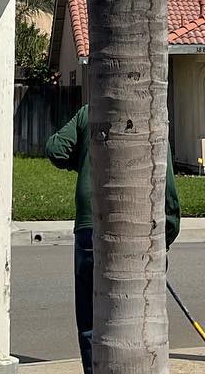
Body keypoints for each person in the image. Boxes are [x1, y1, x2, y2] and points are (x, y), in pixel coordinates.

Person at [45, 104, 180, 374]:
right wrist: (165, 236)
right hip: (138, 232)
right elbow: (166, 188)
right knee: (135, 318)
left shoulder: (89, 111)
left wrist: (85, 158)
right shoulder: (150, 110)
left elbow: (56, 149)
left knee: (89, 322)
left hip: (88, 228)